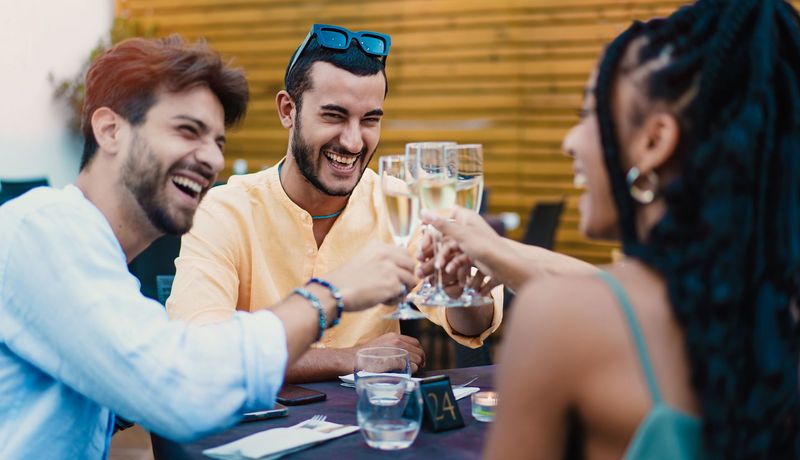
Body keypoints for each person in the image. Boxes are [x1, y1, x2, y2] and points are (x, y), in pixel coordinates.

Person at [0, 36, 416, 458]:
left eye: (217, 142)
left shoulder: (96, 260)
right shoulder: (44, 231)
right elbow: (184, 387)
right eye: (187, 130)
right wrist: (332, 295)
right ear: (111, 130)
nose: (212, 160)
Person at [425, 0, 800, 457]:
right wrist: (498, 251)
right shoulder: (771, 305)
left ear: (655, 141)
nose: (569, 142)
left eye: (588, 114)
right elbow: (604, 287)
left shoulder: (562, 321)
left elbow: (593, 300)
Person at [166, 24, 503, 382]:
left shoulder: (399, 203)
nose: (355, 142)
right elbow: (201, 350)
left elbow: (471, 325)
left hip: (372, 426)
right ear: (287, 110)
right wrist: (351, 358)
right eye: (334, 116)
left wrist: (462, 293)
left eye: (370, 119)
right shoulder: (224, 211)